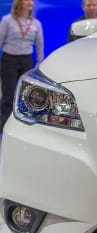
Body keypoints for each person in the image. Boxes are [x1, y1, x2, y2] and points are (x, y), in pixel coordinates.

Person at [0, 0, 44, 133]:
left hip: (27, 61)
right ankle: (3, 126)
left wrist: (41, 64)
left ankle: (22, 127)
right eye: (26, 0)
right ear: (19, 3)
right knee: (9, 94)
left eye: (31, 1)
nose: (30, 2)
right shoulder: (7, 20)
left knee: (25, 96)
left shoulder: (36, 23)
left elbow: (39, 44)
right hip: (9, 60)